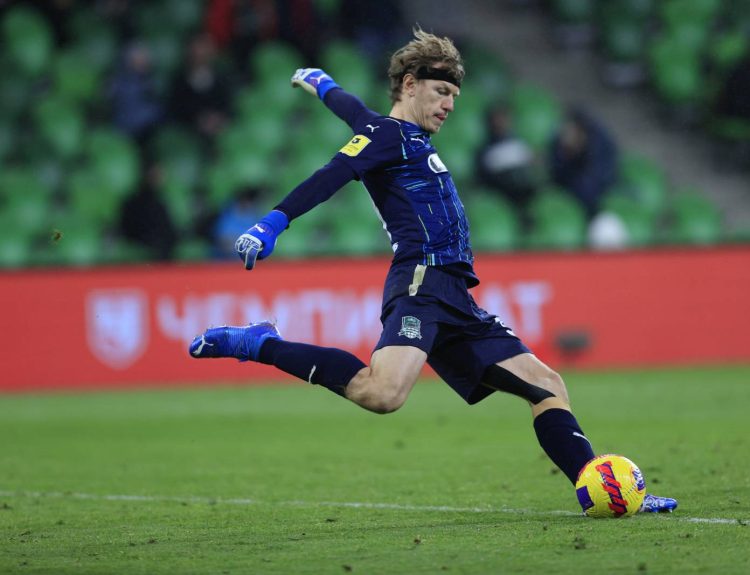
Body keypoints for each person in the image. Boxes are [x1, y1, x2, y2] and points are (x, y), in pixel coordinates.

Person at [189, 29, 676, 513]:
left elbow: (355, 111)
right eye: (441, 92)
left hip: (456, 296)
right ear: (409, 85)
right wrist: (272, 223)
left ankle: (602, 490)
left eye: (454, 96)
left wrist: (323, 85)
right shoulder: (387, 137)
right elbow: (331, 175)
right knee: (383, 394)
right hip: (420, 282)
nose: (449, 105)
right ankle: (261, 343)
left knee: (548, 386)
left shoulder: (397, 135)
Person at [548, 108, 618, 219]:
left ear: (581, 134)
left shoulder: (599, 155)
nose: (565, 136)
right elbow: (554, 174)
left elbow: (587, 191)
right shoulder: (559, 146)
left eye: (571, 132)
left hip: (590, 204)